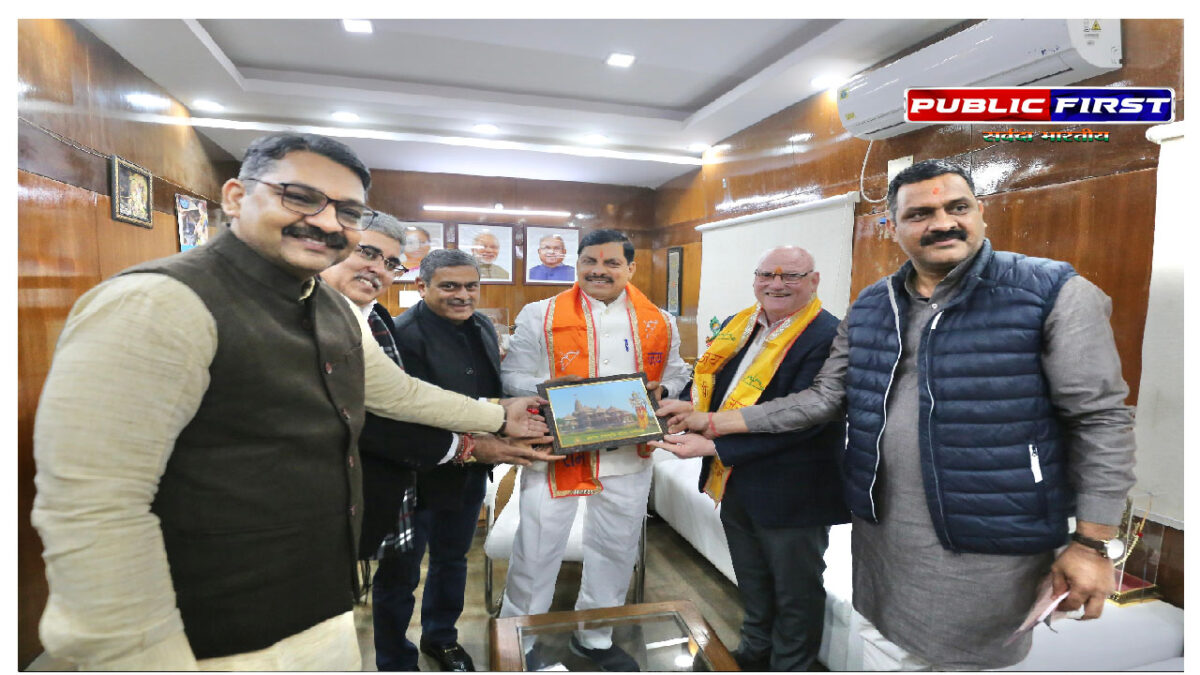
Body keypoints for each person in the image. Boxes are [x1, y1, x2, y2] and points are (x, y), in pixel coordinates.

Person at [31, 132, 549, 671]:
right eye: (300, 197)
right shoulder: (158, 302)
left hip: (316, 602)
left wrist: (497, 416)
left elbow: (395, 392)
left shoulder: (328, 305)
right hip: (202, 630)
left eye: (348, 212)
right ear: (236, 197)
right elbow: (93, 507)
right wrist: (138, 653)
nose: (326, 222)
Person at [660, 159, 1137, 670]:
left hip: (990, 539)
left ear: (981, 212)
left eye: (957, 207)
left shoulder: (1050, 292)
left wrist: (1092, 542)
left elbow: (1101, 419)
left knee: (965, 660)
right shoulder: (874, 304)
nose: (943, 223)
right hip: (884, 533)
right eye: (920, 214)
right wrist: (714, 422)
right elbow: (824, 398)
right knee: (886, 647)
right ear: (891, 226)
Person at [320, 217, 552, 671]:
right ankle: (395, 659)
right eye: (449, 286)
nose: (462, 295)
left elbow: (491, 393)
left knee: (453, 561)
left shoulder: (482, 326)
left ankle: (441, 639)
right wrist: (483, 433)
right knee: (400, 574)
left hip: (469, 472)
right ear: (422, 285)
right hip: (411, 475)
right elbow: (398, 409)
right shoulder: (399, 331)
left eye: (471, 286)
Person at [651, 245, 849, 671]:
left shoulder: (828, 336)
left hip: (794, 489)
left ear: (814, 281)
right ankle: (754, 652)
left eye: (791, 275)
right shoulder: (741, 326)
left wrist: (715, 445)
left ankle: (791, 666)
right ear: (755, 279)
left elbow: (806, 421)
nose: (776, 284)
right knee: (752, 578)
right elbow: (716, 387)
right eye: (766, 275)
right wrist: (688, 405)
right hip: (736, 478)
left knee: (795, 591)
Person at [500, 229, 690, 671]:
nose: (599, 271)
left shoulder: (659, 320)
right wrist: (547, 388)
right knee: (536, 548)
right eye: (589, 261)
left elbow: (677, 372)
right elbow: (510, 377)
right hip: (555, 451)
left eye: (611, 263)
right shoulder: (540, 314)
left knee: (616, 548)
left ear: (631, 268)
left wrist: (665, 390)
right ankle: (520, 638)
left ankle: (596, 637)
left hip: (627, 454)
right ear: (578, 264)